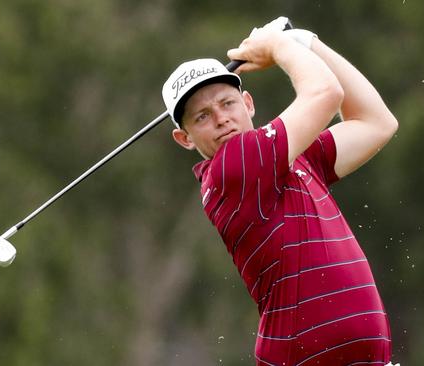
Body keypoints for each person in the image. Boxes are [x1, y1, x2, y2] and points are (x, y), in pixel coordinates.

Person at [162, 17, 399, 366]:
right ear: (185, 139)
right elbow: (324, 93)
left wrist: (305, 40)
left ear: (248, 103)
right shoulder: (233, 167)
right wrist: (278, 45)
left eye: (227, 104)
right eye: (202, 117)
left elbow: (376, 123)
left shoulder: (292, 158)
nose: (222, 119)